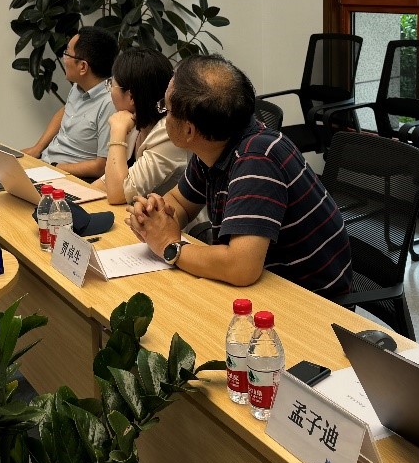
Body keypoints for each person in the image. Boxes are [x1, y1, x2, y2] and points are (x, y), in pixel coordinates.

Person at [127, 54, 353, 298]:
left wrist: (169, 246)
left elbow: (241, 267)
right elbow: (180, 203)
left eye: (166, 108)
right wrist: (153, 218)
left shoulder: (257, 160)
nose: (164, 115)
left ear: (189, 130)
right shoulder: (215, 145)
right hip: (268, 285)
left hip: (312, 303)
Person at [22, 26, 119, 179]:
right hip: (47, 164)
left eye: (67, 53)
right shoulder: (79, 86)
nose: (63, 58)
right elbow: (66, 111)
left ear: (83, 67)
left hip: (70, 177)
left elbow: (101, 166)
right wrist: (37, 148)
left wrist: (54, 168)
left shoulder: (110, 104)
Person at [97, 47, 188, 204]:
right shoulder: (135, 121)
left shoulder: (168, 133)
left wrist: (117, 132)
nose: (109, 90)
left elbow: (117, 193)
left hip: (171, 218)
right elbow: (105, 183)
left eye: (112, 84)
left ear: (131, 97)